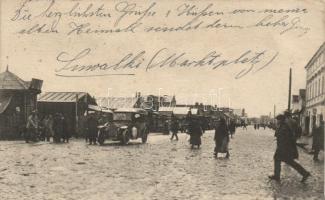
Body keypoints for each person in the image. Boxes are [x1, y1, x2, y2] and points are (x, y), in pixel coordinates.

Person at [269, 114, 311, 182]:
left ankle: (304, 173)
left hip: (284, 148)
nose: (277, 121)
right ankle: (304, 173)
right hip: (284, 148)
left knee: (281, 160)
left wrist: (281, 148)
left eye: (278, 120)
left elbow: (285, 138)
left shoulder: (284, 127)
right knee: (287, 161)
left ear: (281, 120)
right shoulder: (283, 126)